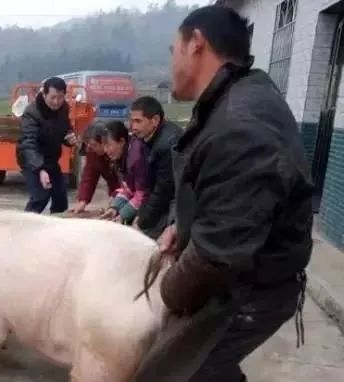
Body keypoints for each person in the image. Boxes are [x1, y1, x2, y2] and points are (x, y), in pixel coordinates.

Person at [157, 5, 313, 381]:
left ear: (196, 44)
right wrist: (183, 223)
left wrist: (165, 292)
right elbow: (216, 189)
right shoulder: (230, 98)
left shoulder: (240, 124)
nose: (170, 65)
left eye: (172, 51)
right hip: (241, 274)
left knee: (173, 373)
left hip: (250, 289)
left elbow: (217, 256)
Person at [16, 76, 78, 214]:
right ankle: (24, 228)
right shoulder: (32, 113)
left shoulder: (63, 108)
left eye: (60, 97)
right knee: (41, 196)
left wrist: (69, 138)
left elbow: (65, 129)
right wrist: (40, 169)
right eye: (53, 97)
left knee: (60, 196)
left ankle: (56, 228)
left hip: (50, 158)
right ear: (44, 94)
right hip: (31, 159)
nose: (56, 102)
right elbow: (28, 144)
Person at [128, 96, 183, 239]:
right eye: (132, 121)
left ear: (155, 120)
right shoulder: (148, 139)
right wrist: (141, 215)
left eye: (138, 121)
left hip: (179, 204)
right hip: (166, 200)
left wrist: (142, 222)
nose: (133, 127)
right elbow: (149, 186)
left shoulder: (167, 145)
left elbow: (163, 192)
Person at [99, 120, 149, 225]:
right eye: (103, 146)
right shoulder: (122, 157)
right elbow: (128, 189)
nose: (105, 150)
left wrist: (123, 214)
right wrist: (115, 207)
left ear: (121, 141)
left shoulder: (136, 157)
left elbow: (142, 194)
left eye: (108, 145)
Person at [70, 121, 120, 213]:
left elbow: (126, 181)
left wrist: (116, 198)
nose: (91, 148)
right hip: (115, 190)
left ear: (105, 142)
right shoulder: (93, 152)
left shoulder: (119, 151)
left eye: (94, 145)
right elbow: (89, 177)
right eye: (89, 145)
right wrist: (83, 201)